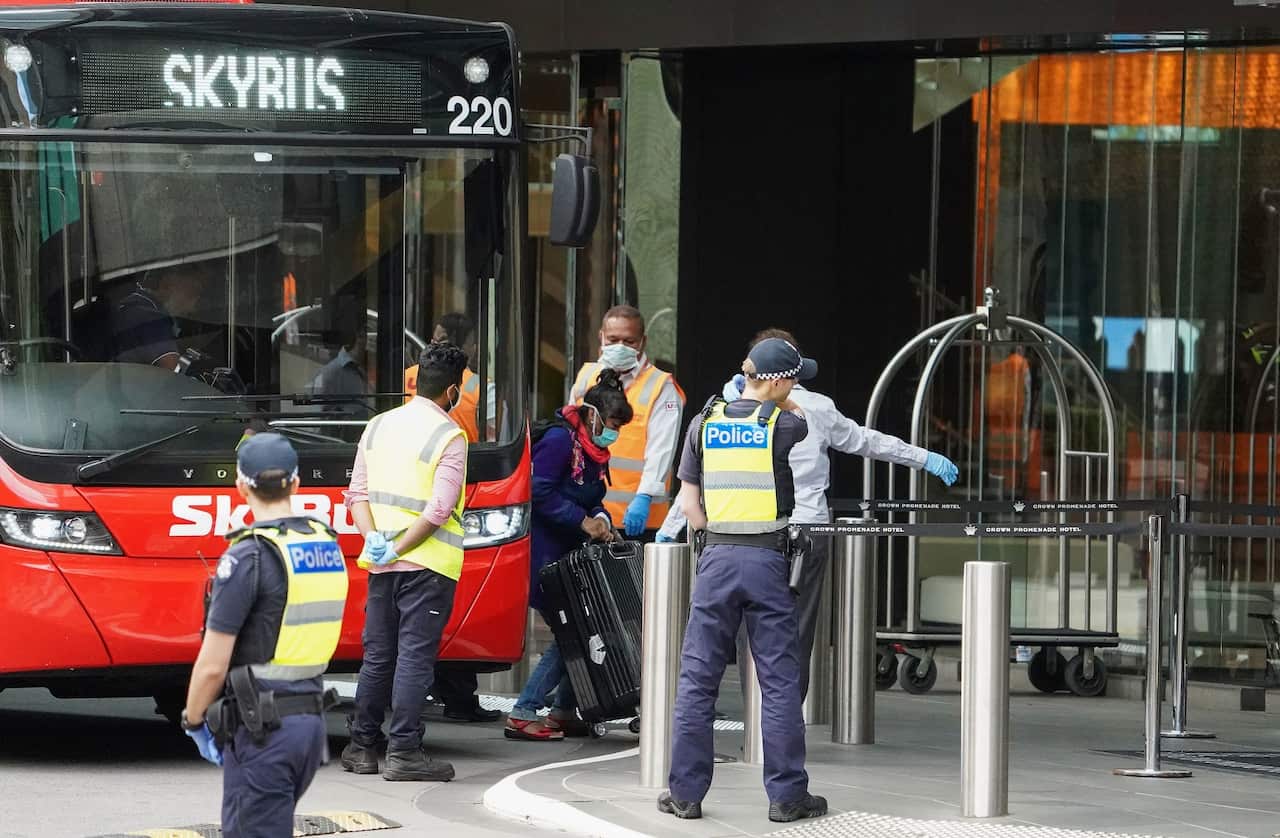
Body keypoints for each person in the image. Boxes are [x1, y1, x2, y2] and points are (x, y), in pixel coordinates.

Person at [656, 328, 959, 700]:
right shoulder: (815, 407)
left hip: (741, 533)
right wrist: (922, 458)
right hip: (806, 532)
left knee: (743, 630)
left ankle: (754, 715)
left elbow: (700, 477)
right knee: (794, 630)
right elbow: (866, 441)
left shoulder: (719, 412)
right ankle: (782, 717)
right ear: (785, 372)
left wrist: (671, 527)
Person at [659, 337, 826, 824]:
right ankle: (787, 796)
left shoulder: (702, 423)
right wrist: (774, 397)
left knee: (697, 679)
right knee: (779, 681)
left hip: (715, 558)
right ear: (778, 381)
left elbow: (690, 506)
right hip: (768, 561)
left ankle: (685, 794)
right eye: (792, 378)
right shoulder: (785, 423)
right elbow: (796, 413)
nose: (795, 387)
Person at [179, 432, 349, 837]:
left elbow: (212, 665)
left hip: (264, 731)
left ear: (241, 487)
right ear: (296, 483)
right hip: (309, 725)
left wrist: (194, 721)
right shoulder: (325, 544)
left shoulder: (249, 555)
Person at [340, 342, 470, 781]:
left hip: (380, 564)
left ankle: (361, 747)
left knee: (378, 656)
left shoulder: (378, 425)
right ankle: (404, 753)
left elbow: (357, 494)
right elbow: (439, 509)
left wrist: (375, 540)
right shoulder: (450, 436)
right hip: (428, 568)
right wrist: (402, 548)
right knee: (414, 658)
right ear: (452, 390)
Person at [503, 369, 634, 741]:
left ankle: (563, 709)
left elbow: (593, 497)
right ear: (593, 415)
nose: (614, 434)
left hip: (570, 554)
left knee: (583, 630)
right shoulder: (561, 442)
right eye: (612, 425)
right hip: (544, 554)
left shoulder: (593, 450)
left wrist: (602, 519)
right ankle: (524, 712)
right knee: (571, 634)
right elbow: (538, 491)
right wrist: (582, 521)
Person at [569, 305, 685, 538]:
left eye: (629, 341)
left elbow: (661, 449)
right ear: (601, 336)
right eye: (613, 340)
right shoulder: (586, 376)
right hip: (587, 515)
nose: (620, 346)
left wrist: (644, 496)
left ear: (642, 341)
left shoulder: (661, 386)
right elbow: (570, 434)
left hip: (637, 518)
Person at [404, 312, 497, 443]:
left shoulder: (405, 376)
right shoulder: (483, 389)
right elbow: (494, 443)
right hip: (466, 455)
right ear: (471, 349)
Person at [109, 260, 211, 370]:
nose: (193, 307)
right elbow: (170, 370)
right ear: (167, 284)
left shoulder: (127, 307)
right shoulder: (151, 318)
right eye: (192, 293)